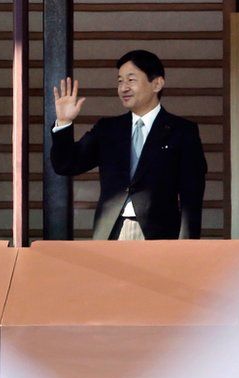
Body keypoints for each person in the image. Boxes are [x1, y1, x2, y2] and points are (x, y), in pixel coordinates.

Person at [50, 50, 207, 240]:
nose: (123, 88)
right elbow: (66, 164)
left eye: (131, 80)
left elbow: (192, 197)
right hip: (111, 232)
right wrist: (64, 122)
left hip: (160, 235)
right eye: (119, 81)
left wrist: (186, 246)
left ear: (157, 83)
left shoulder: (182, 131)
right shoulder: (107, 129)